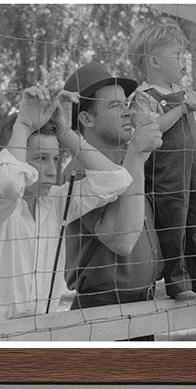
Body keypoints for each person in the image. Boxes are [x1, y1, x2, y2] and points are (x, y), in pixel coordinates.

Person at [0, 84, 134, 323]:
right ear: (17, 153)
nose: (52, 171)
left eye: (55, 158)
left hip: (41, 330)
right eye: (40, 158)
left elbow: (117, 180)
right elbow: (10, 185)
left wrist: (66, 133)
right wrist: (22, 126)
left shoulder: (56, 202)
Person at [128, 19, 196, 302]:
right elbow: (153, 127)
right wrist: (181, 109)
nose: (183, 60)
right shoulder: (143, 97)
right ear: (155, 61)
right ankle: (176, 282)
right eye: (177, 54)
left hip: (193, 170)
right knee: (173, 226)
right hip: (166, 177)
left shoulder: (185, 92)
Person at [61, 61, 167, 308]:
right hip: (102, 308)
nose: (128, 112)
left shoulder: (131, 161)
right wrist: (136, 154)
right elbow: (121, 241)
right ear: (86, 118)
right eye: (115, 105)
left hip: (144, 302)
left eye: (127, 104)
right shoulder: (78, 172)